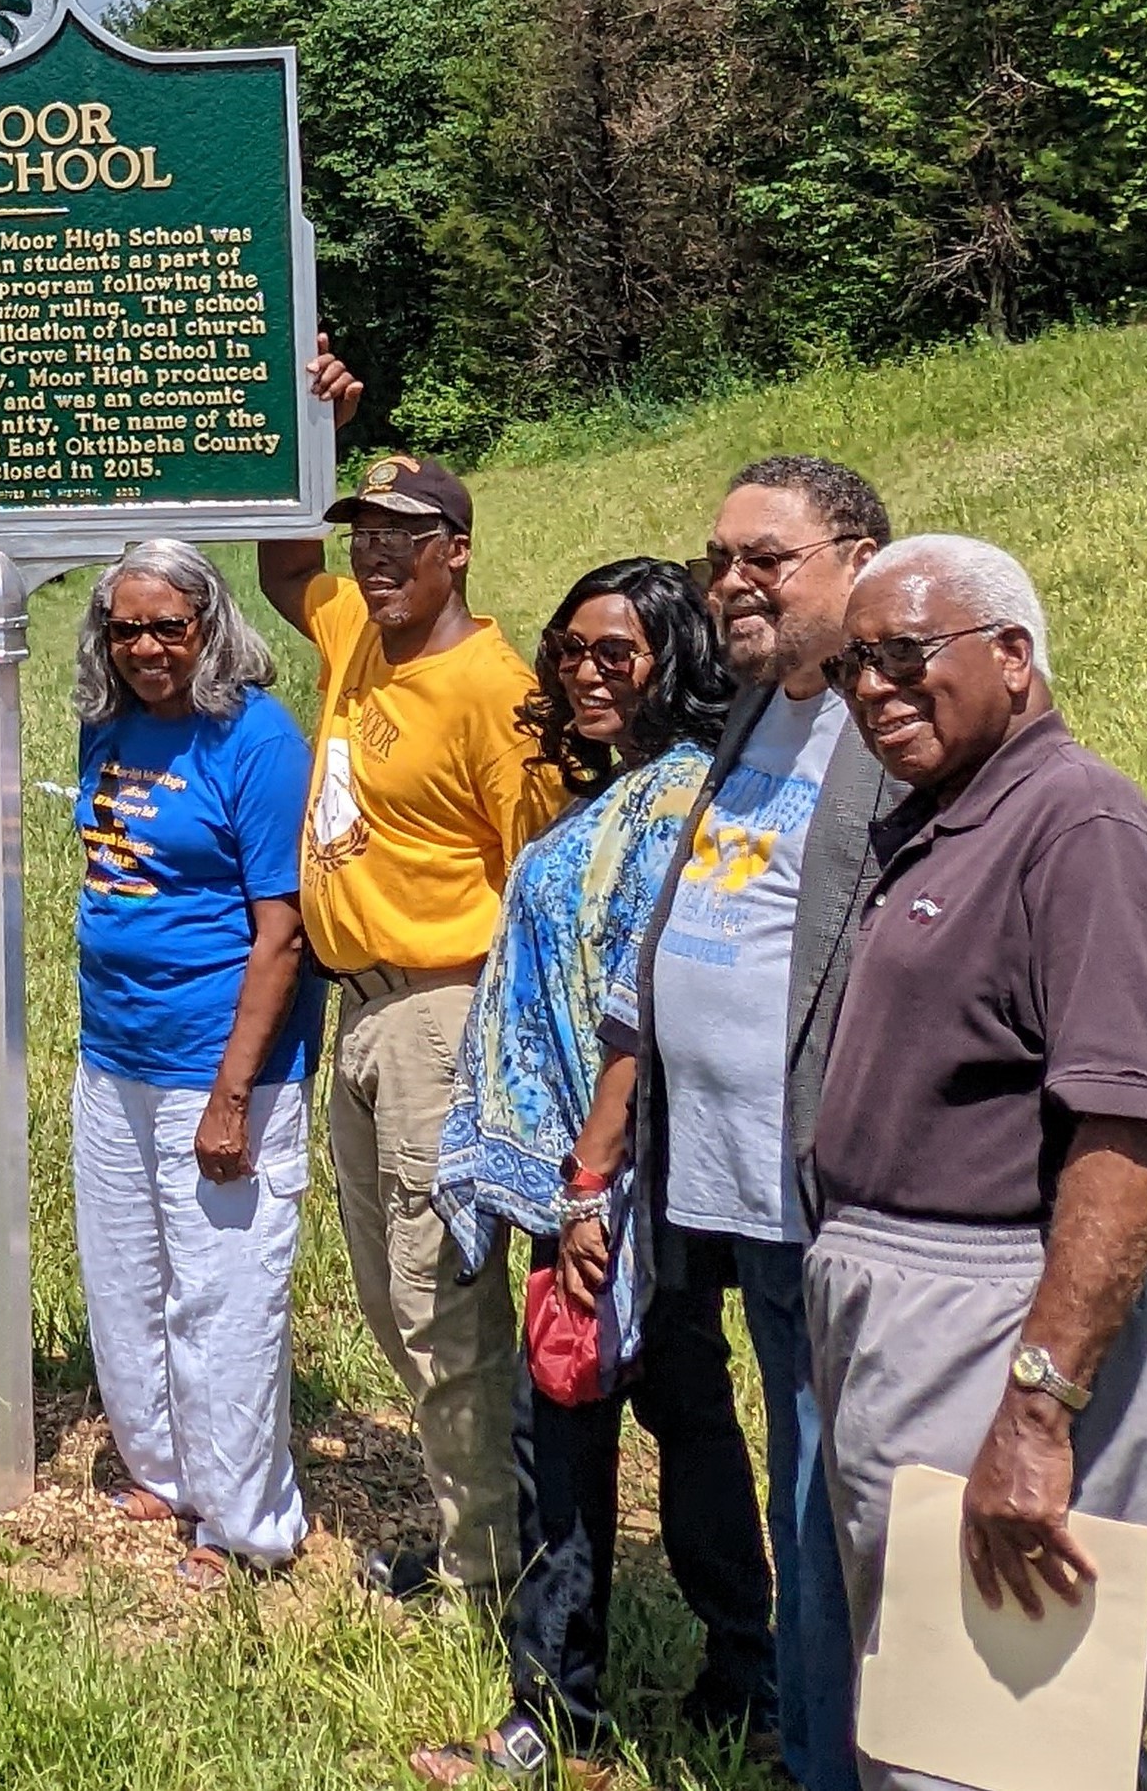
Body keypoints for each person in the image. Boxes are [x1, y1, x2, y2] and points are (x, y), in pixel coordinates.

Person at [810, 537, 1147, 1791]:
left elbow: (1127, 1133)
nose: (872, 686)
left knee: (999, 1742)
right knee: (937, 1726)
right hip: (904, 1314)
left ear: (1012, 657)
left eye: (902, 655)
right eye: (850, 665)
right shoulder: (939, 819)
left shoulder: (1079, 827)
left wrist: (1036, 1410)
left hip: (995, 1311)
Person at [417, 560, 774, 1782]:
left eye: (613, 652)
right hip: (613, 1176)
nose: (581, 670)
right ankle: (741, 1674)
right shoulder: (618, 796)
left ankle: (556, 1711)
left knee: (564, 1436)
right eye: (568, 648)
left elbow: (638, 1007)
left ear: (670, 658)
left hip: (620, 1181)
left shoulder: (684, 802)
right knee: (684, 1413)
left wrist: (585, 1186)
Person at [571, 454, 885, 1789]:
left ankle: (849, 1758)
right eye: (722, 559)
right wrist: (611, 1136)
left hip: (847, 1190)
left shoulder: (896, 718)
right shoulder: (758, 710)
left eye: (772, 556)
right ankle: (813, 1734)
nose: (735, 582)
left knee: (842, 1499)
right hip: (731, 1185)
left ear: (862, 556)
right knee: (802, 1483)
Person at [257, 342, 562, 1607]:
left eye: (403, 537)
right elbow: (283, 564)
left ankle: (493, 1573)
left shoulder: (494, 692)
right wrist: (319, 423)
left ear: (456, 552)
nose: (374, 557)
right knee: (393, 1295)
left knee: (445, 1307)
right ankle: (488, 1533)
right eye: (364, 535)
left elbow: (537, 880)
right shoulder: (356, 635)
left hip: (444, 1013)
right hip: (359, 1010)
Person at [67, 540, 326, 1589]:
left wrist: (230, 1098)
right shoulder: (107, 723)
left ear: (208, 625)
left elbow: (282, 931)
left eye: (167, 626)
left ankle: (244, 1519)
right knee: (125, 1277)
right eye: (125, 628)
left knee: (223, 1292)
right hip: (114, 1052)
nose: (144, 647)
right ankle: (166, 1471)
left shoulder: (254, 739)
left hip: (221, 1066)